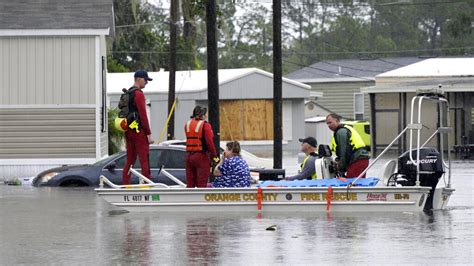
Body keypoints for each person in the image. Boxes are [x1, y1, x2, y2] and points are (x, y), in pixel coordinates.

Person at [122, 70, 154, 185]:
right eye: (145, 80)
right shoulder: (138, 94)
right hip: (138, 131)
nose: (146, 82)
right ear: (139, 79)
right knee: (144, 159)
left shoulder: (128, 93)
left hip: (128, 130)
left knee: (130, 160)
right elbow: (143, 115)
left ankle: (126, 184)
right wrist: (149, 134)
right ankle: (147, 185)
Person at [325, 113, 369, 178]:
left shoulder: (341, 132)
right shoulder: (344, 129)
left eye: (330, 122)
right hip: (362, 159)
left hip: (356, 161)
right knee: (359, 184)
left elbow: (345, 152)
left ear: (337, 121)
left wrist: (341, 168)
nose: (329, 125)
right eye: (327, 124)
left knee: (351, 185)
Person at [185, 106, 218, 188]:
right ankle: (201, 200)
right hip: (201, 156)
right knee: (202, 184)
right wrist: (214, 156)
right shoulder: (205, 125)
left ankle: (190, 199)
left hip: (189, 156)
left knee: (190, 184)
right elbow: (209, 143)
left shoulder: (188, 124)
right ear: (202, 115)